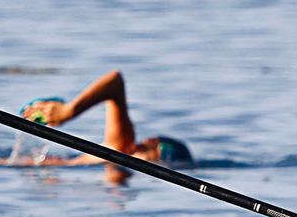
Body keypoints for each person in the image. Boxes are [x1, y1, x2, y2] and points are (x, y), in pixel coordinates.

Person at [16, 69, 193, 179]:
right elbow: (115, 82)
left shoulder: (121, 166)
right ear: (149, 143)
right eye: (157, 156)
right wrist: (68, 112)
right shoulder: (123, 147)